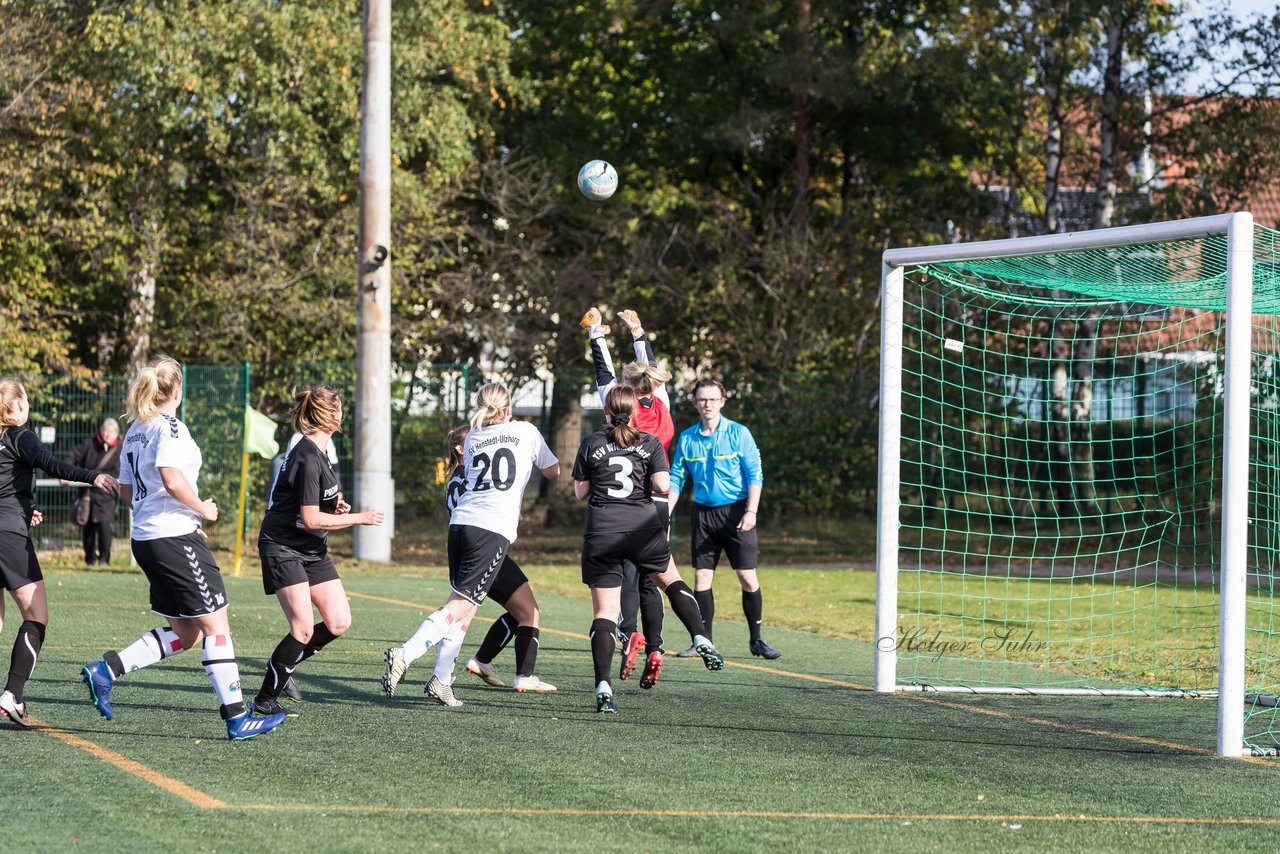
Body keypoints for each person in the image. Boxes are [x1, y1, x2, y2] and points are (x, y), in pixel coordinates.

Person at [80, 357, 287, 740]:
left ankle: (105, 670)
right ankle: (238, 717)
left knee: (187, 632)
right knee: (217, 625)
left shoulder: (135, 430)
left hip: (149, 538)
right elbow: (172, 479)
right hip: (171, 536)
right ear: (177, 391)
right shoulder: (169, 427)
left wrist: (178, 522)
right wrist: (200, 510)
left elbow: (129, 492)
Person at [381, 383, 559, 701]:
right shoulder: (526, 431)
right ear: (508, 409)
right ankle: (406, 653)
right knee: (460, 605)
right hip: (489, 530)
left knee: (469, 606)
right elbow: (553, 472)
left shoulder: (474, 436)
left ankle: (441, 680)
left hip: (461, 526)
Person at [573, 385, 724, 713]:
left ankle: (603, 685)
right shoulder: (650, 442)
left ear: (606, 412)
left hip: (602, 532)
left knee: (605, 613)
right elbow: (662, 486)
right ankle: (700, 637)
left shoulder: (591, 442)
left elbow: (580, 493)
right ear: (637, 412)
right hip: (643, 528)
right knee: (671, 582)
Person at [251, 386, 384, 717]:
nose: (343, 412)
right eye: (338, 407)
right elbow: (309, 518)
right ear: (329, 415)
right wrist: (359, 518)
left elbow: (310, 502)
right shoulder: (308, 456)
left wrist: (335, 505)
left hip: (311, 549)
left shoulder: (320, 452)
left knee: (338, 622)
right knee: (303, 629)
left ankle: (288, 665)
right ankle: (265, 698)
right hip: (283, 547)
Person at [0, 379, 119, 728]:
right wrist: (92, 476)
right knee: (37, 617)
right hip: (7, 535)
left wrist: (24, 510)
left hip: (9, 524)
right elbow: (50, 464)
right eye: (25, 398)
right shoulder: (21, 434)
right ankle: (12, 696)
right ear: (18, 404)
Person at [425, 425, 556, 703]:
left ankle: (481, 661)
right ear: (463, 450)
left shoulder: (459, 478)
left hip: (473, 548)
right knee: (527, 612)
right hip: (483, 550)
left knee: (519, 610)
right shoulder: (470, 477)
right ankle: (522, 675)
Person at [581, 307, 676, 690]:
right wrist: (638, 329)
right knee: (654, 579)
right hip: (657, 501)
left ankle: (629, 633)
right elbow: (646, 364)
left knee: (626, 577)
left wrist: (595, 335)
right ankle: (655, 647)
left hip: (620, 507)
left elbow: (603, 372)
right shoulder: (663, 403)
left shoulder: (618, 406)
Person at [669, 379, 781, 660]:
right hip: (703, 515)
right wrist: (664, 515)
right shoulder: (687, 438)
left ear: (722, 402)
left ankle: (756, 640)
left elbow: (755, 474)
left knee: (746, 576)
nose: (707, 404)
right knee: (702, 577)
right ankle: (702, 642)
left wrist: (751, 511)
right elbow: (676, 478)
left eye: (712, 399)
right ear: (695, 403)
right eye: (702, 399)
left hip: (736, 513)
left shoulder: (739, 433)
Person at [62, 417, 123, 566]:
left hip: (106, 495)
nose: (108, 435)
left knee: (103, 526)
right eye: (105, 431)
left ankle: (104, 559)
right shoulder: (89, 444)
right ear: (101, 431)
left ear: (117, 433)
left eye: (111, 432)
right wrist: (65, 473)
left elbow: (120, 471)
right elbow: (72, 456)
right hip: (87, 494)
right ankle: (89, 559)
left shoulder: (120, 450)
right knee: (87, 527)